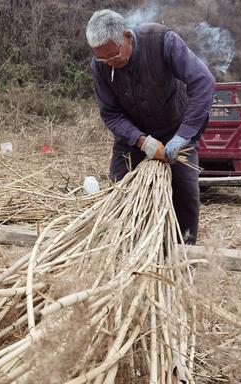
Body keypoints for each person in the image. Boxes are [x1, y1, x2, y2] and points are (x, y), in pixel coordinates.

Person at [86, 9, 216, 244]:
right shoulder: (101, 65)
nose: (109, 63)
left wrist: (184, 135)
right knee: (119, 189)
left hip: (175, 130)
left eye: (113, 55)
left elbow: (203, 82)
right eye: (102, 59)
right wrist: (140, 140)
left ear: (127, 37)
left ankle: (183, 250)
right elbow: (111, 113)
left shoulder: (161, 41)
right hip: (133, 136)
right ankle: (125, 245)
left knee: (185, 195)